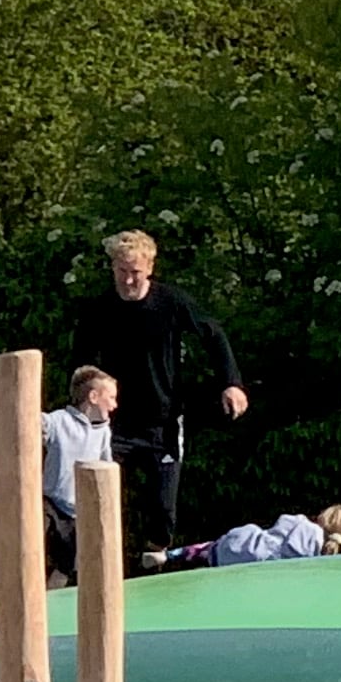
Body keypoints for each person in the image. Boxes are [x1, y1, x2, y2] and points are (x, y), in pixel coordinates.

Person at [65, 230, 247, 551]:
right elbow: (81, 363)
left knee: (162, 508)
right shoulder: (99, 309)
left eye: (135, 272)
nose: (128, 280)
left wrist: (231, 383)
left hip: (161, 420)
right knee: (97, 494)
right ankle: (91, 561)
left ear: (149, 268)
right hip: (113, 422)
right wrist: (82, 405)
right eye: (121, 271)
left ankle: (156, 558)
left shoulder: (171, 302)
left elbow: (213, 335)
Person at [41, 365, 118, 582]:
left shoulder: (103, 431)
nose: (114, 405)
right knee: (36, 536)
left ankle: (50, 605)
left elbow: (106, 466)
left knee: (67, 564)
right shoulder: (59, 421)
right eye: (111, 398)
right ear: (93, 397)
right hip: (51, 502)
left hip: (76, 511)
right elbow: (33, 422)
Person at [156, 504, 341, 570]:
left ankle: (172, 555)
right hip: (251, 565)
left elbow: (279, 526)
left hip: (241, 547)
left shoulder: (299, 522)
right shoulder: (321, 563)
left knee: (207, 549)